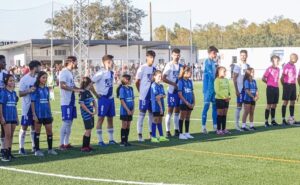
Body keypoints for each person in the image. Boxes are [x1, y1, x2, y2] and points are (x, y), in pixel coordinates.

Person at [92, 55, 117, 147]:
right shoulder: (100, 73)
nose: (111, 63)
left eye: (112, 62)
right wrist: (96, 94)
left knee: (110, 119)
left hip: (111, 98)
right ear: (104, 63)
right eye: (109, 62)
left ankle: (111, 139)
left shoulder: (111, 72)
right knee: (101, 119)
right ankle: (100, 141)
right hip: (103, 99)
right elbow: (90, 84)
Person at [31, 71, 57, 156]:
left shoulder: (47, 89)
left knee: (49, 131)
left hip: (47, 114)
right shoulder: (35, 89)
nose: (45, 79)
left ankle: (50, 149)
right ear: (39, 78)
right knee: (37, 132)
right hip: (39, 114)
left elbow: (48, 101)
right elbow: (33, 102)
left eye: (46, 77)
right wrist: (34, 114)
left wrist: (50, 112)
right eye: (43, 77)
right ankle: (37, 150)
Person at [59, 56, 82, 150]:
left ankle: (66, 143)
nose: (77, 64)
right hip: (66, 101)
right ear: (71, 62)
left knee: (70, 122)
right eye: (76, 62)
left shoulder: (70, 73)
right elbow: (62, 85)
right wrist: (74, 90)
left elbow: (72, 86)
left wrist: (80, 89)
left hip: (71, 101)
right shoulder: (64, 72)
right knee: (66, 122)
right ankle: (61, 144)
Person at [18, 60, 41, 155]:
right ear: (34, 68)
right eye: (39, 67)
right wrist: (29, 90)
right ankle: (21, 148)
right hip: (27, 107)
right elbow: (20, 93)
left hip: (36, 106)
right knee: (24, 127)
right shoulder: (24, 79)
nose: (40, 69)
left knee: (34, 127)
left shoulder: (38, 78)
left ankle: (34, 146)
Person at [135, 50, 156, 142]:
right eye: (150, 57)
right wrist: (140, 91)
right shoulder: (142, 68)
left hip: (152, 96)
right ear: (147, 57)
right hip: (144, 95)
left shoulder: (154, 69)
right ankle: (139, 135)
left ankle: (151, 134)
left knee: (151, 115)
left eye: (153, 57)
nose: (152, 59)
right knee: (142, 115)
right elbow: (137, 81)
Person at [162, 48, 183, 137]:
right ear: (172, 55)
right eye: (175, 55)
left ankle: (176, 129)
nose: (176, 57)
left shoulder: (181, 66)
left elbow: (181, 77)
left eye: (178, 55)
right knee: (170, 111)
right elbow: (163, 78)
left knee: (177, 111)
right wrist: (173, 84)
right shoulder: (169, 65)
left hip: (178, 92)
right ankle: (167, 131)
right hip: (171, 91)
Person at [0, 74, 19, 162]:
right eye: (10, 80)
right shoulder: (3, 92)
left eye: (13, 80)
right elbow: (0, 106)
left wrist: (17, 117)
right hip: (6, 117)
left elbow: (14, 106)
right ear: (6, 82)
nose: (12, 82)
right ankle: (5, 154)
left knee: (11, 135)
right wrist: (1, 117)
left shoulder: (14, 93)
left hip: (13, 116)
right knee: (7, 135)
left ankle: (9, 152)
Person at [201, 46, 218, 134]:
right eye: (214, 53)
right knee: (206, 107)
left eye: (216, 53)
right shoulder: (207, 62)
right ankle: (203, 127)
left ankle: (215, 127)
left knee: (215, 107)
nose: (215, 55)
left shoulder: (214, 62)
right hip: (207, 88)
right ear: (209, 53)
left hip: (214, 88)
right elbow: (211, 75)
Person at [233, 50, 250, 131]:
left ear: (247, 56)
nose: (243, 56)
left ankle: (243, 124)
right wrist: (236, 90)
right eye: (242, 55)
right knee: (239, 106)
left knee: (246, 107)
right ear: (240, 56)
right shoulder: (237, 66)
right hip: (240, 89)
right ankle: (236, 125)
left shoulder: (248, 65)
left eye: (244, 55)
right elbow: (234, 78)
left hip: (246, 90)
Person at [79, 77, 97, 152]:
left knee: (90, 129)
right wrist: (89, 112)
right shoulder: (82, 93)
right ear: (87, 84)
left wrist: (96, 110)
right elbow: (82, 105)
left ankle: (87, 145)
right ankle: (84, 147)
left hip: (91, 113)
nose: (91, 86)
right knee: (88, 130)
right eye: (90, 84)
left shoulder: (88, 92)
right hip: (86, 114)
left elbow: (94, 101)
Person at [150, 70, 169, 143]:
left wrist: (161, 95)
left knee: (160, 120)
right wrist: (161, 107)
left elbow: (164, 95)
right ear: (154, 77)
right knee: (155, 120)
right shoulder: (154, 85)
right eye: (159, 76)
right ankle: (153, 137)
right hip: (156, 107)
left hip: (161, 106)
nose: (160, 78)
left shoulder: (161, 86)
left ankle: (161, 136)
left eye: (161, 76)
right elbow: (157, 98)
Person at [116, 74, 134, 147]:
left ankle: (126, 140)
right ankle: (122, 141)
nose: (131, 80)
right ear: (126, 80)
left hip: (130, 110)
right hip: (124, 111)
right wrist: (127, 110)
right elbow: (122, 101)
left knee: (128, 125)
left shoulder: (131, 88)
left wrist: (132, 109)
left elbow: (132, 99)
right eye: (130, 79)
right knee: (124, 124)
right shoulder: (122, 89)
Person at [262, 55, 280, 127]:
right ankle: (266, 121)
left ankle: (273, 120)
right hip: (270, 88)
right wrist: (269, 83)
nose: (278, 61)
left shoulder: (278, 69)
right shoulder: (269, 69)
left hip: (276, 88)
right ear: (272, 61)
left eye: (278, 60)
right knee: (269, 105)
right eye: (276, 60)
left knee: (274, 105)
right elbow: (263, 78)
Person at [177, 66, 195, 139]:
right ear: (185, 72)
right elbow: (180, 94)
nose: (191, 73)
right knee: (182, 117)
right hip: (183, 103)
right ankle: (180, 134)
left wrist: (193, 102)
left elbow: (192, 92)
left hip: (190, 102)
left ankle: (187, 133)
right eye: (190, 72)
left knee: (188, 117)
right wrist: (186, 103)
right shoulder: (180, 81)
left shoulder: (190, 81)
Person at [281, 54, 298, 125]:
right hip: (287, 85)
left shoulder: (294, 66)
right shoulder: (286, 66)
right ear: (292, 58)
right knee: (285, 102)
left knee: (292, 102)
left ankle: (291, 118)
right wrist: (284, 86)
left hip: (293, 85)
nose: (297, 59)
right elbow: (282, 77)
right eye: (296, 58)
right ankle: (283, 119)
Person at [214, 67, 231, 135]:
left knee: (224, 114)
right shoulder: (217, 80)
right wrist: (224, 97)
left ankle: (224, 129)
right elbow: (217, 91)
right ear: (219, 72)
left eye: (225, 71)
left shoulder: (226, 80)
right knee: (220, 114)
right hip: (219, 99)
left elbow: (229, 89)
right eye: (224, 71)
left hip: (226, 99)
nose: (225, 73)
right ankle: (218, 129)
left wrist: (229, 96)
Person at [0, 55, 7, 158]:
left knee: (4, 126)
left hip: (4, 104)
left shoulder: (5, 74)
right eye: (3, 62)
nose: (5, 63)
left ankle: (3, 149)